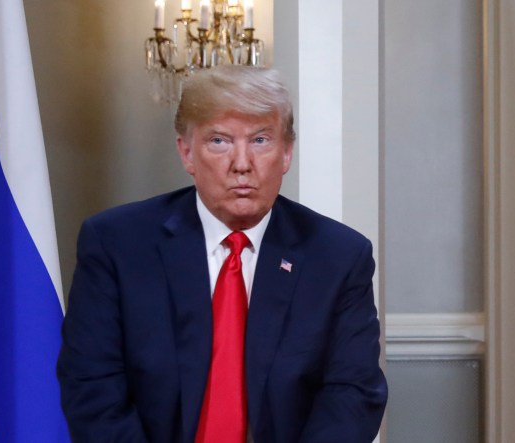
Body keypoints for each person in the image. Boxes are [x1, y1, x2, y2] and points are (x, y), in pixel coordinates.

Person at [57, 65, 387, 443]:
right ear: (187, 153)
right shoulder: (116, 244)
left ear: (286, 153)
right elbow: (92, 386)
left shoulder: (339, 256)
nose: (242, 163)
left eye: (261, 140)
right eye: (219, 141)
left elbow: (353, 394)